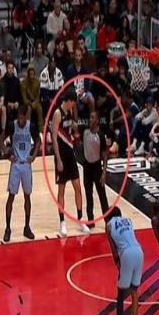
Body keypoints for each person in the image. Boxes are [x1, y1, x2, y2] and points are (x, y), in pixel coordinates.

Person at [52, 90, 90, 236]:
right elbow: (54, 138)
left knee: (77, 187)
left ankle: (80, 219)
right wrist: (58, 159)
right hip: (61, 155)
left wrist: (75, 126)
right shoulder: (57, 113)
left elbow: (72, 129)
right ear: (68, 101)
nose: (73, 106)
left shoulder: (70, 112)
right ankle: (62, 222)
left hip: (70, 153)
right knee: (61, 189)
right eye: (73, 103)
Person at [0, 105, 40, 242]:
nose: (20, 121)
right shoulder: (12, 125)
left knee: (27, 196)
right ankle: (7, 228)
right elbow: (1, 140)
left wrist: (34, 156)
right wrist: (7, 154)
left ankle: (27, 227)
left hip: (26, 164)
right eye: (19, 118)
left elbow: (38, 141)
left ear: (26, 117)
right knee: (11, 196)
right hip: (15, 165)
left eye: (22, 118)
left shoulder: (31, 126)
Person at [106, 206, 144, 315]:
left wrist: (119, 266)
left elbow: (114, 252)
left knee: (121, 296)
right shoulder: (129, 220)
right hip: (139, 252)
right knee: (134, 292)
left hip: (127, 254)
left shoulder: (109, 226)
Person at [82, 110, 109, 228]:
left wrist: (104, 172)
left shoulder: (101, 136)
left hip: (97, 167)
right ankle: (90, 220)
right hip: (87, 167)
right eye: (90, 117)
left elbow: (104, 155)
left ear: (97, 120)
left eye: (93, 117)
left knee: (102, 195)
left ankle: (108, 220)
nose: (90, 119)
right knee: (88, 194)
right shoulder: (85, 132)